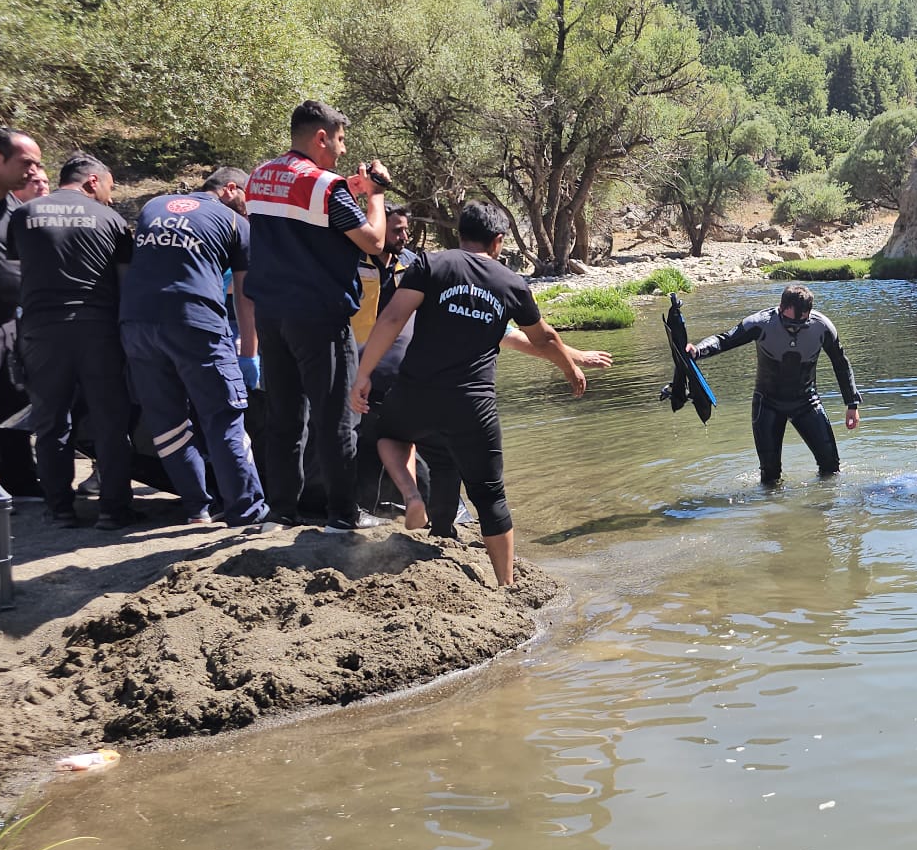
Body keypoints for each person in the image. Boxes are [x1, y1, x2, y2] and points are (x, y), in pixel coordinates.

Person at [350, 204, 587, 586]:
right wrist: (569, 367)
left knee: (393, 437)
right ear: (497, 241)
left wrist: (363, 374)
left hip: (416, 394)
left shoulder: (430, 265)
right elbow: (543, 337)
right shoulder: (511, 283)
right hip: (472, 404)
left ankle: (424, 510)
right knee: (489, 495)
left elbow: (392, 319)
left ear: (460, 234)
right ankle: (506, 585)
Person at [243, 99, 390, 532]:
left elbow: (297, 206)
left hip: (271, 314)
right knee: (335, 417)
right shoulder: (327, 187)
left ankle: (281, 511)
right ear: (321, 137)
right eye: (341, 140)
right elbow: (374, 243)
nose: (343, 150)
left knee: (285, 417)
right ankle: (343, 515)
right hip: (319, 318)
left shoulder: (259, 176)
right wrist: (376, 196)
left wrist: (351, 187)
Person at [120, 167, 273, 530]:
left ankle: (197, 508)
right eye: (247, 199)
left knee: (168, 422)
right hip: (196, 324)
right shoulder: (236, 224)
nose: (249, 208)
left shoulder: (152, 206)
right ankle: (247, 512)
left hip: (136, 324)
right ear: (231, 188)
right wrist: (249, 353)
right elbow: (245, 298)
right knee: (223, 418)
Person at [6, 151, 136, 527]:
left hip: (41, 331)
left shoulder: (24, 215)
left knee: (50, 422)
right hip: (98, 330)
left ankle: (59, 507)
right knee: (111, 420)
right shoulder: (110, 219)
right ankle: (113, 509)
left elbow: (17, 272)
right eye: (109, 187)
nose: (110, 196)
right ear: (93, 181)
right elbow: (124, 285)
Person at [686, 284, 861, 486]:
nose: (794, 329)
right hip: (767, 404)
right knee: (770, 477)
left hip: (807, 402)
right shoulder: (760, 323)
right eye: (790, 323)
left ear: (809, 313)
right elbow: (724, 339)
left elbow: (841, 363)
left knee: (831, 468)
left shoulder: (822, 327)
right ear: (780, 307)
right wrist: (697, 351)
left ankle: (823, 509)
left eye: (801, 324)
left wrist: (852, 404)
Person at [0, 128, 41, 496]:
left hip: (12, 323)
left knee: (16, 407)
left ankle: (20, 482)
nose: (34, 171)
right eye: (27, 162)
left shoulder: (14, 207)